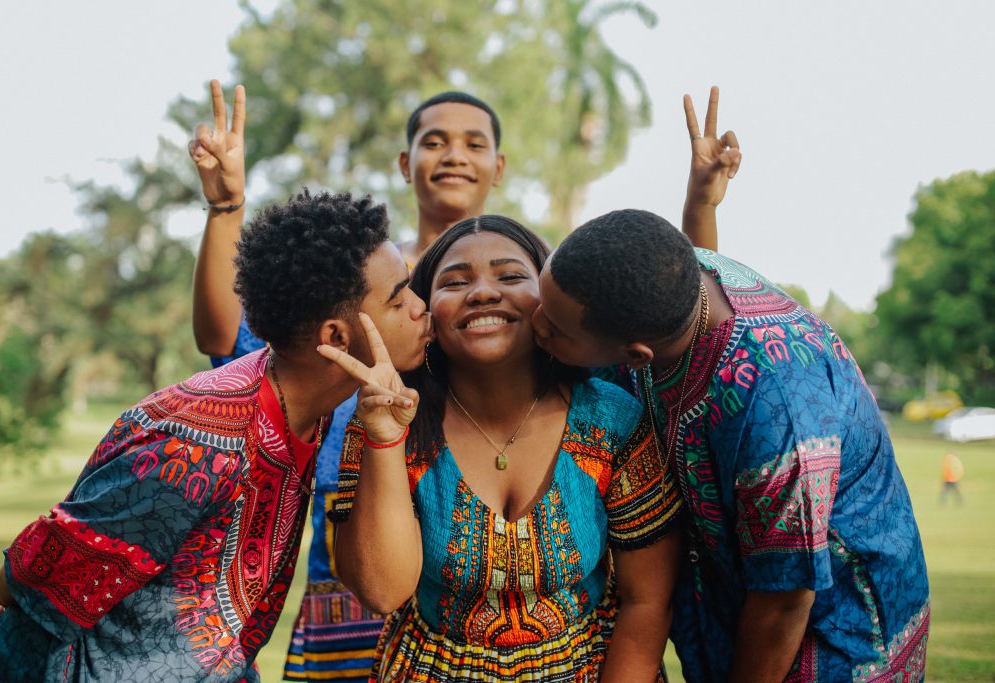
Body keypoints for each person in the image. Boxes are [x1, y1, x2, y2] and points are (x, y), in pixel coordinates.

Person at [0, 190, 431, 683]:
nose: (420, 307)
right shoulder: (197, 443)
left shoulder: (309, 409)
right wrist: (13, 584)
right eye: (399, 298)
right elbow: (47, 568)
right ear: (336, 337)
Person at [530, 192, 931, 676]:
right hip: (735, 594)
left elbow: (786, 597)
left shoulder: (775, 402)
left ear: (636, 356)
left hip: (835, 631)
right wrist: (699, 204)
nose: (535, 323)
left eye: (555, 328)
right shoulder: (678, 277)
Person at [187, 81, 507, 681]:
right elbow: (224, 338)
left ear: (500, 166)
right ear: (405, 164)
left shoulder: (512, 292)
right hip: (348, 540)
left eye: (474, 143)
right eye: (434, 141)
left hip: (469, 558)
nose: (454, 155)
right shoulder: (364, 275)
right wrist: (226, 208)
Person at [322, 215, 684, 682]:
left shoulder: (614, 421)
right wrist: (386, 438)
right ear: (427, 314)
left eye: (511, 276)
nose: (482, 293)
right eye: (455, 282)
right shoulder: (383, 419)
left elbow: (647, 600)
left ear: (549, 300)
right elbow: (382, 592)